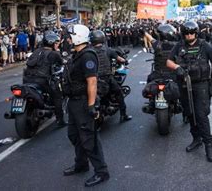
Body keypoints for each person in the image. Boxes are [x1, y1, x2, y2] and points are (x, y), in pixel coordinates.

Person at [167, 21, 212, 162]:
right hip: (185, 85)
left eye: (191, 32)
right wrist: (177, 67)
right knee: (189, 113)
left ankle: (208, 146)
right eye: (186, 33)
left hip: (201, 85)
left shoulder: (205, 45)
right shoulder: (179, 45)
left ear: (196, 32)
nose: (189, 35)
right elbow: (168, 61)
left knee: (201, 115)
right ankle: (196, 139)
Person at [63, 24, 109, 187]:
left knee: (89, 138)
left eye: (70, 36)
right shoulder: (77, 54)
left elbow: (92, 81)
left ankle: (101, 172)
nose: (67, 39)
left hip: (83, 101)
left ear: (78, 37)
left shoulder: (87, 56)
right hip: (74, 102)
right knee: (74, 135)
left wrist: (91, 106)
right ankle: (81, 164)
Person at [23, 31, 65, 127]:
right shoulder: (54, 54)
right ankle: (60, 120)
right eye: (56, 43)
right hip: (42, 81)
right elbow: (62, 63)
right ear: (52, 43)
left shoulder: (36, 51)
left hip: (27, 79)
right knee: (57, 96)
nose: (57, 45)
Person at [89, 30, 132, 122]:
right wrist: (125, 61)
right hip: (107, 79)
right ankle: (123, 115)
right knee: (119, 94)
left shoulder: (89, 52)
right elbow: (120, 59)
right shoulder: (108, 50)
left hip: (94, 80)